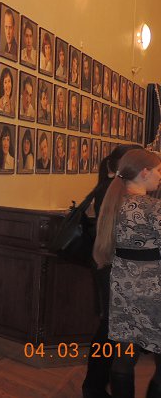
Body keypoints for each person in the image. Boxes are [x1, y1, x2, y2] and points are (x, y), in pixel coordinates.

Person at [91, 148, 161, 398]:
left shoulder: (114, 203)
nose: (160, 176)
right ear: (145, 172)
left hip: (122, 286)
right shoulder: (154, 208)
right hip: (154, 291)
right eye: (158, 170)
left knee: (123, 357)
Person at [81, 145, 141, 398]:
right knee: (108, 330)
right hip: (110, 266)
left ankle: (94, 385)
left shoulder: (108, 186)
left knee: (108, 328)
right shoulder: (114, 190)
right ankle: (94, 386)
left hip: (107, 264)